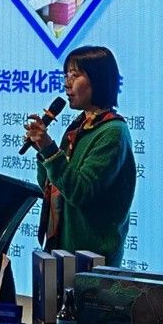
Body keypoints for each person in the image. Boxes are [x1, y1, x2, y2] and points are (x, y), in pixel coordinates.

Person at [24, 45, 136, 266]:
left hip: (92, 262)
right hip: (62, 252)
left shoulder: (113, 132)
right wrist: (43, 152)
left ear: (98, 80)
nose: (67, 83)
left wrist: (50, 150)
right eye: (66, 76)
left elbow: (80, 192)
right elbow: (51, 185)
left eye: (75, 76)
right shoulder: (79, 126)